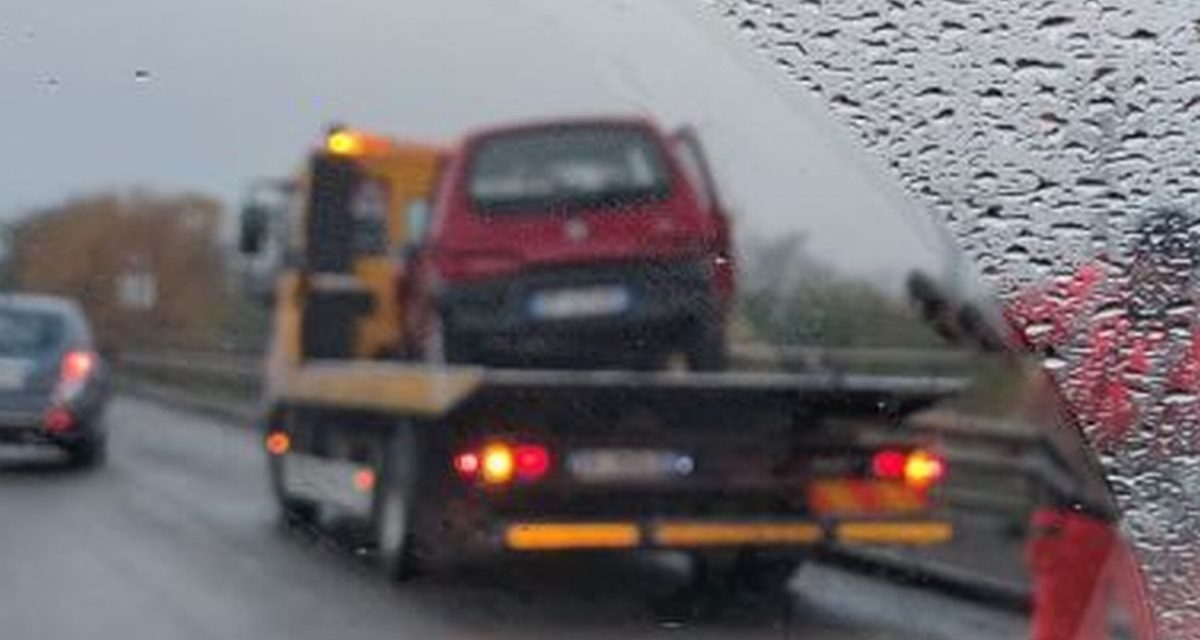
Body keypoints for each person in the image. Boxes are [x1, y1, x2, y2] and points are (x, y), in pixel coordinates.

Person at [1005, 209, 1200, 640]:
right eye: (1162, 264)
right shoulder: (1087, 299)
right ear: (1137, 261)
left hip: (1157, 513)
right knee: (1067, 622)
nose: (1172, 279)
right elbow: (1017, 328)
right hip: (1078, 500)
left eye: (1182, 269)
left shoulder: (1187, 335)